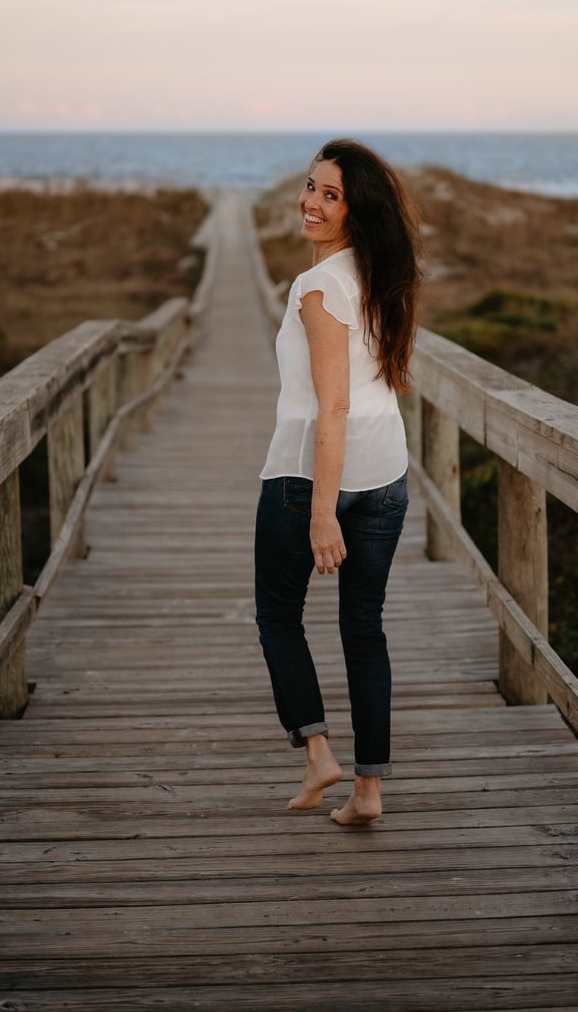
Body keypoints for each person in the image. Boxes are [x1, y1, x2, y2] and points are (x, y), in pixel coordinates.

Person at [254, 138, 422, 824]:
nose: (311, 203)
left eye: (330, 195)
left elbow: (333, 408)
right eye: (310, 187)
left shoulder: (320, 286)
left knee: (276, 616)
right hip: (387, 474)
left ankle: (319, 751)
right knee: (364, 629)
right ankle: (368, 792)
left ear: (357, 211)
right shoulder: (383, 276)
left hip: (308, 473)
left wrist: (323, 512)